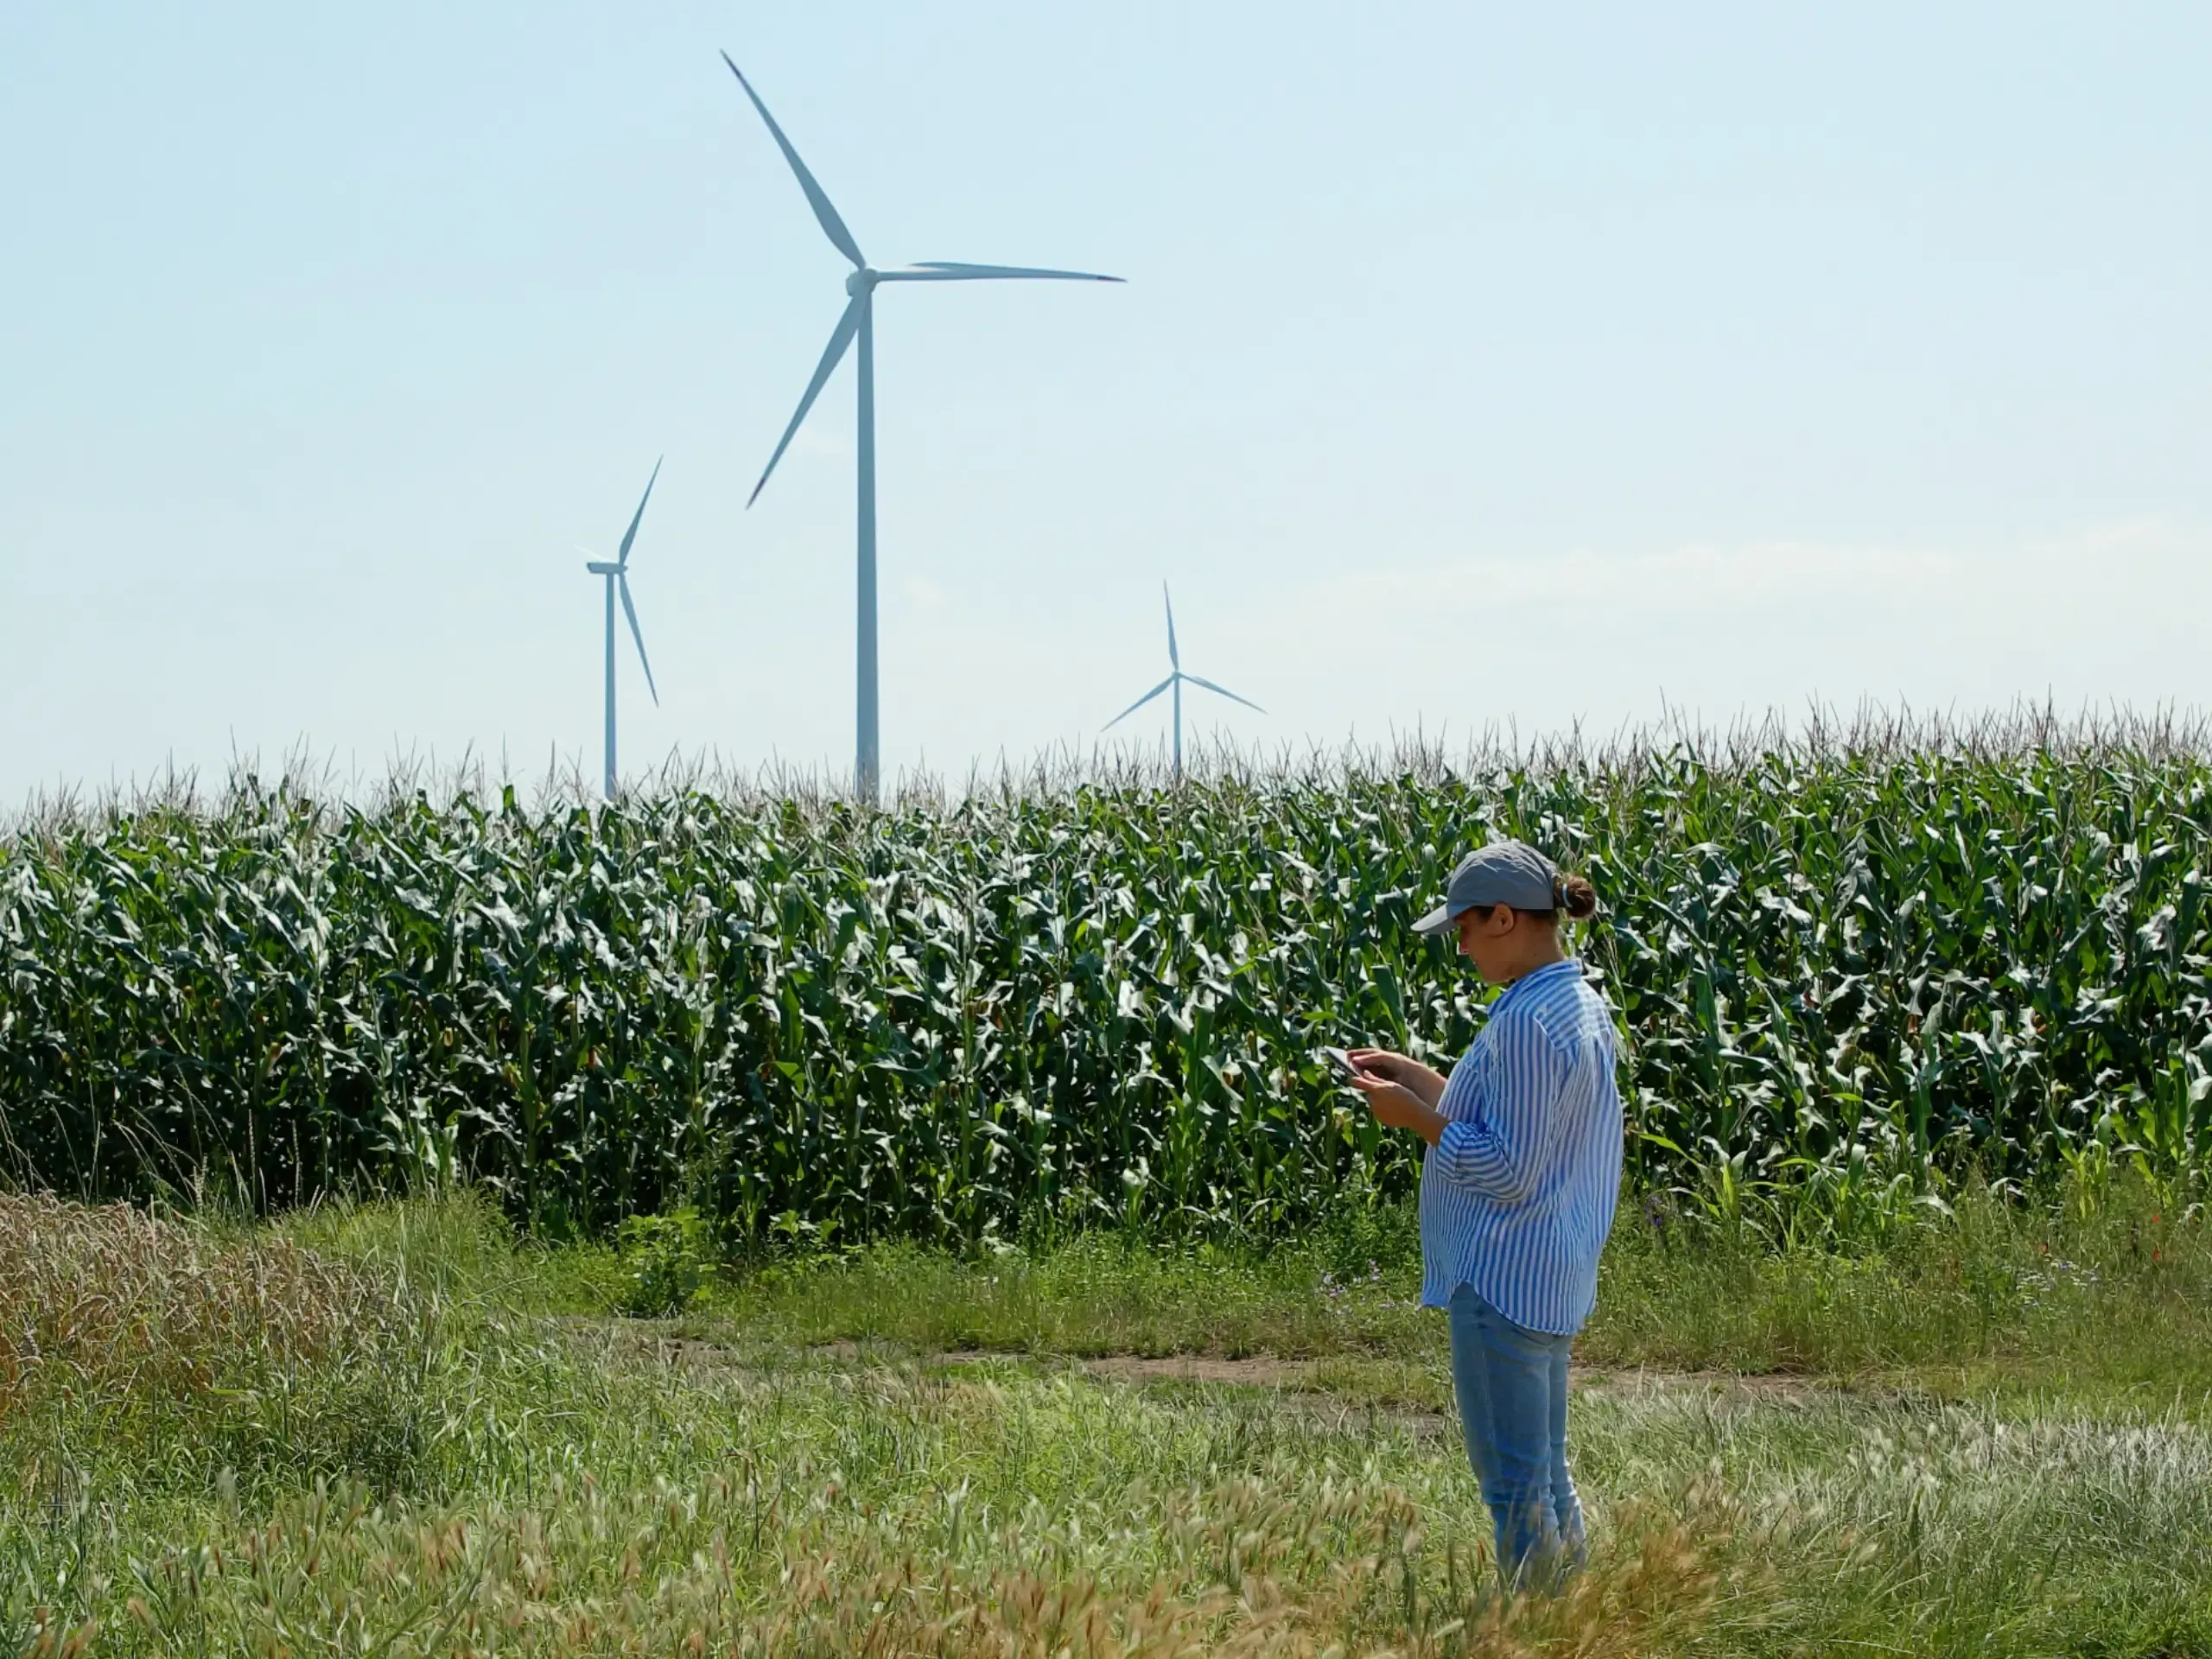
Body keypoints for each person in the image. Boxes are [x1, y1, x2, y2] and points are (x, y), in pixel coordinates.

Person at [1345, 839, 1622, 1589]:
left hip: (1502, 1275)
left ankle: (1537, 1634)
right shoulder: (1574, 1003)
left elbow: (1507, 1168)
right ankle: (1573, 1621)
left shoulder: (1530, 1021)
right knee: (1546, 1479)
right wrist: (1419, 1082)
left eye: (1464, 928)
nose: (1459, 946)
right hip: (1549, 1273)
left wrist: (1416, 1121)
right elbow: (1520, 1126)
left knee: (1514, 1492)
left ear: (1505, 917)